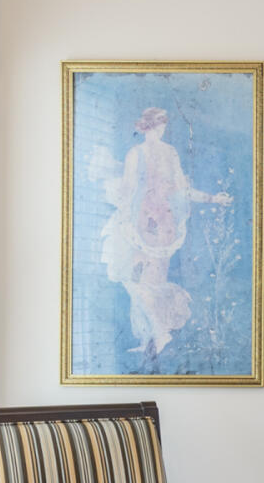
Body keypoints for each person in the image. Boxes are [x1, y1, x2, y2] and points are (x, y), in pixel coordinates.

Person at [98, 104, 233, 358]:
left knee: (137, 280)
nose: (161, 129)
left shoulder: (148, 153)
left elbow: (178, 190)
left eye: (163, 125)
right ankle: (151, 338)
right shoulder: (147, 153)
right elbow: (133, 190)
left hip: (151, 225)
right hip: (155, 223)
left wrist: (213, 198)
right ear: (148, 126)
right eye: (159, 124)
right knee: (145, 281)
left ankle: (159, 332)